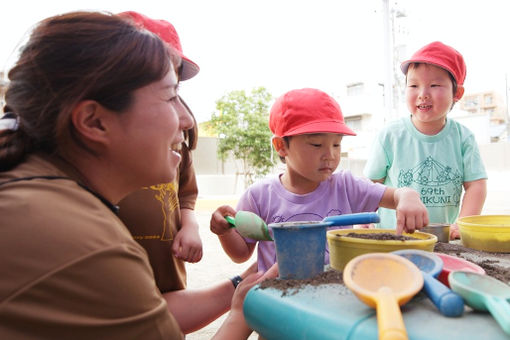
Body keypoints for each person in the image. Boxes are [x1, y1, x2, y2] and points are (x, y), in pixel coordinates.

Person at [0, 11, 277, 339]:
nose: (186, 120)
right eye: (171, 95)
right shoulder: (84, 241)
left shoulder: (37, 193)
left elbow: (140, 311)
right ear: (94, 122)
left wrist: (239, 287)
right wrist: (246, 313)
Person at [210, 88, 429, 272]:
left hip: (335, 296)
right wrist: (226, 231)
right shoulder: (258, 196)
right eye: (316, 144)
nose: (331, 155)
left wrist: (407, 195)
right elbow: (241, 254)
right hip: (279, 301)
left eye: (336, 144)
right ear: (281, 146)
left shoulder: (346, 186)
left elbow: (394, 196)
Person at [116, 11, 203, 300]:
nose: (184, 121)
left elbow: (186, 196)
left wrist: (190, 226)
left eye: (174, 88)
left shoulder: (177, 142)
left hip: (168, 282)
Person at [363, 41, 488, 239]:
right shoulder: (390, 135)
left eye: (434, 85)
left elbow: (476, 185)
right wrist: (365, 220)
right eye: (413, 85)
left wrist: (463, 224)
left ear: (457, 93)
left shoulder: (463, 138)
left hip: (440, 239)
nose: (423, 94)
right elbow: (370, 184)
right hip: (392, 237)